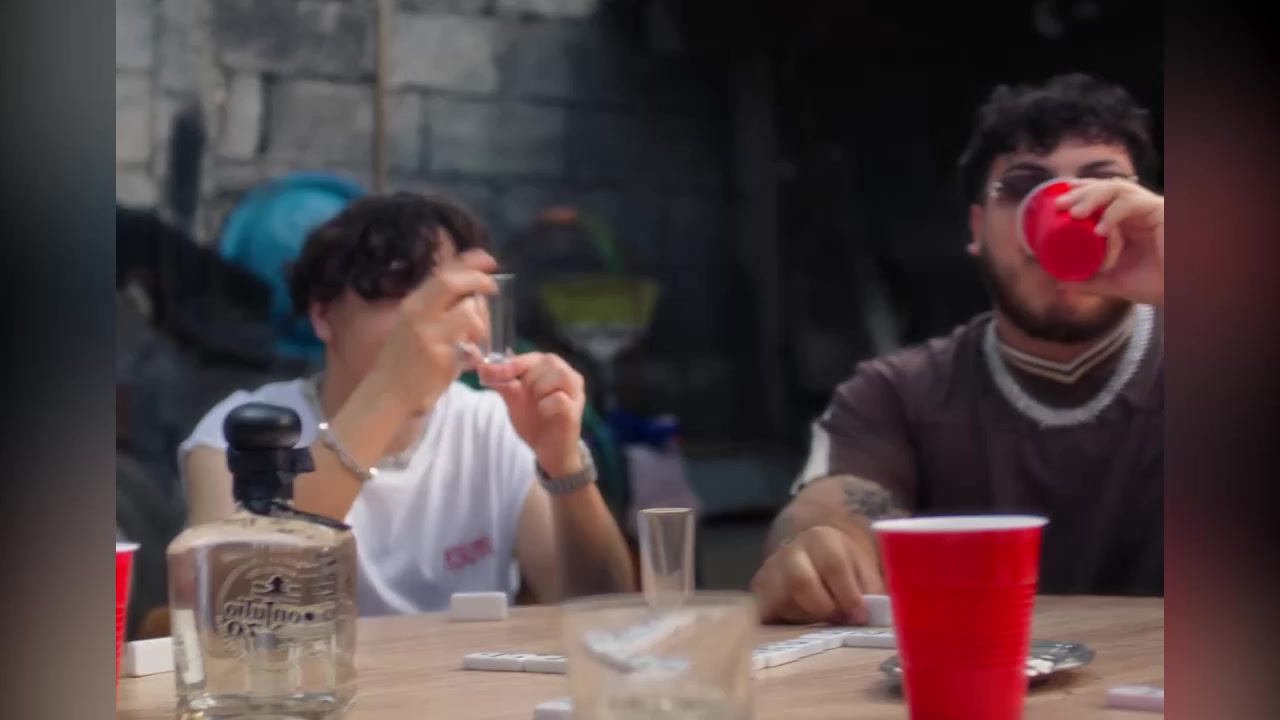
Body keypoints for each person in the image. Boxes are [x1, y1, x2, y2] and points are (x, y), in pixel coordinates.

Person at [753, 73, 1165, 625]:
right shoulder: (895, 394)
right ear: (977, 228)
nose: (1070, 211)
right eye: (1024, 187)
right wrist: (816, 549)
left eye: (1103, 185)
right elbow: (832, 510)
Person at [180, 192, 635, 615]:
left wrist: (563, 464)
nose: (431, 322)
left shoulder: (492, 426)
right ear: (323, 315)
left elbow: (603, 614)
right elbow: (225, 605)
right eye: (402, 293)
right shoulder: (245, 432)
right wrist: (391, 392)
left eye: (454, 296)